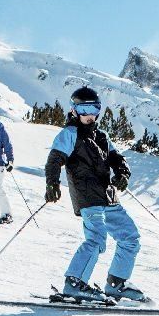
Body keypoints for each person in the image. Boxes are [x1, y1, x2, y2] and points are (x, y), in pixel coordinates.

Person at [43, 86, 143, 301]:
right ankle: (74, 282)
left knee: (130, 238)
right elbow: (54, 160)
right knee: (96, 239)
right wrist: (52, 184)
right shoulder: (69, 134)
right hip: (87, 195)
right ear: (74, 110)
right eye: (84, 109)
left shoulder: (102, 136)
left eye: (94, 109)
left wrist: (122, 174)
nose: (89, 115)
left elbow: (117, 159)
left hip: (107, 195)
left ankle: (116, 283)